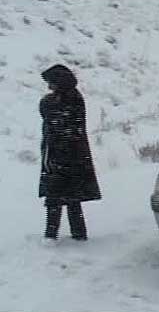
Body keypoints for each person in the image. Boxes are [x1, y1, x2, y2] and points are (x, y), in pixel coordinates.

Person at [39, 64, 101, 243]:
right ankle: (76, 235)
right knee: (72, 199)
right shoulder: (71, 98)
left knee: (57, 198)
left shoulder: (67, 100)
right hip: (70, 157)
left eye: (51, 83)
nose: (49, 87)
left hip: (63, 157)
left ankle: (52, 235)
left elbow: (55, 121)